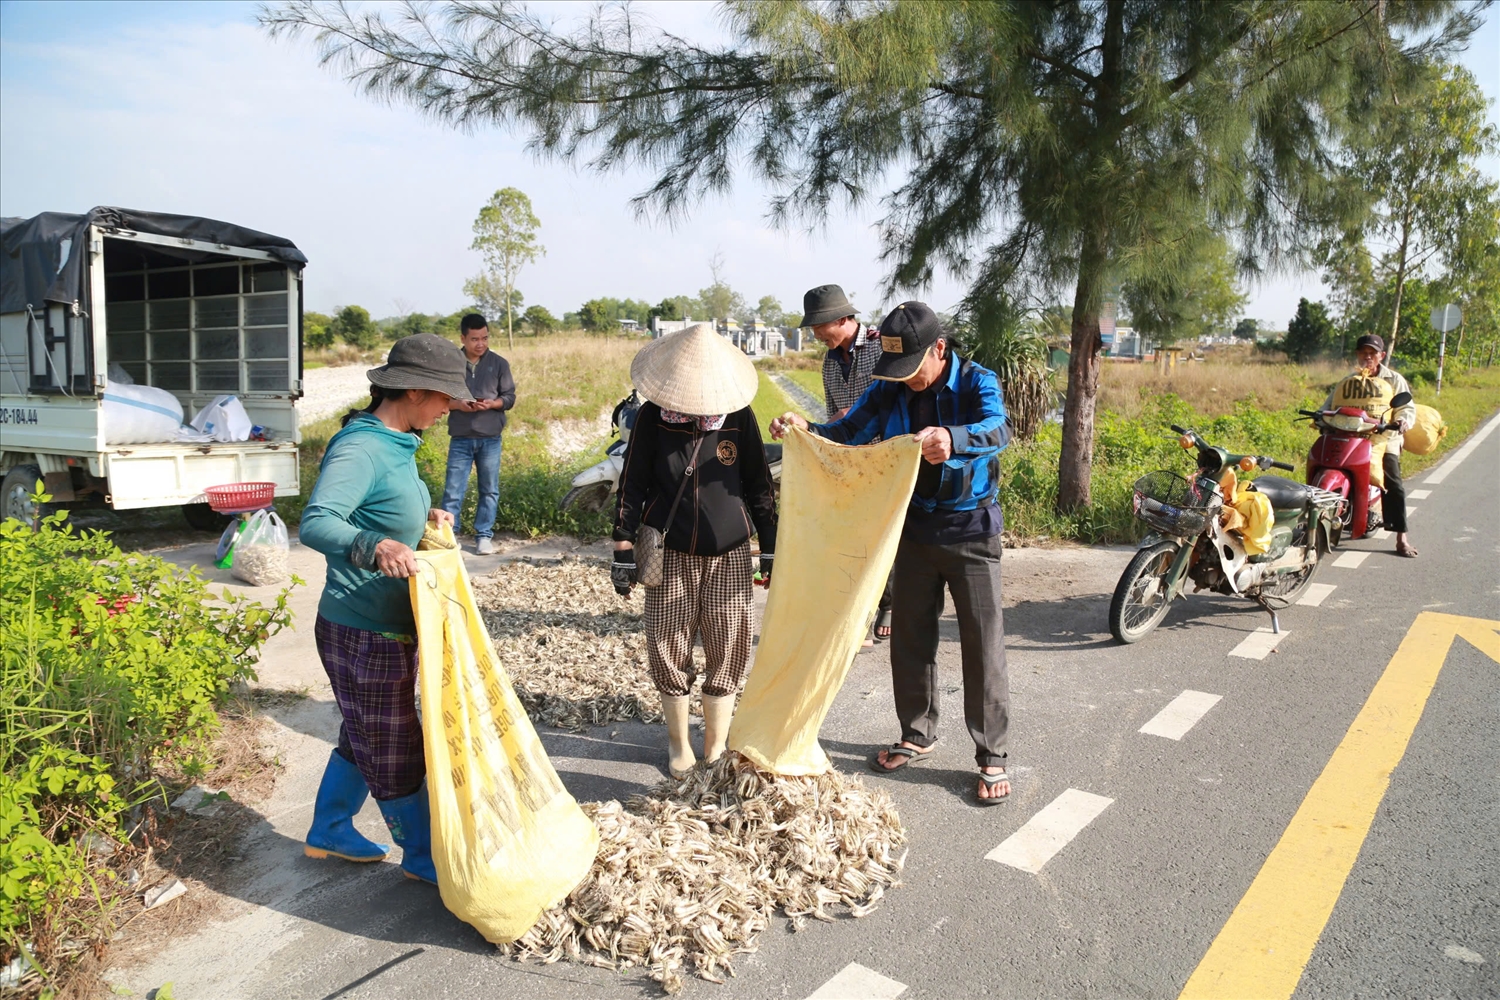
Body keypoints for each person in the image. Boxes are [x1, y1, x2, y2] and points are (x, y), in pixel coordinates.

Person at [771, 302, 1013, 805]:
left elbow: (999, 429)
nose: (906, 379)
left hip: (970, 529)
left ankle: (991, 754)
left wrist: (953, 437)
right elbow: (847, 433)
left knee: (982, 644)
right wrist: (804, 429)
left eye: (913, 367)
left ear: (939, 349)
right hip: (912, 527)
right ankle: (918, 733)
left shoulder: (977, 381)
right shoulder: (890, 387)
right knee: (909, 638)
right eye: (896, 368)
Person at [299, 333, 473, 882]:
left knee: (366, 730)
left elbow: (378, 506)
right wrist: (374, 547)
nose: (449, 408)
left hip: (389, 627)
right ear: (415, 391)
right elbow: (317, 522)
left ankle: (329, 829)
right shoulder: (361, 447)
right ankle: (422, 857)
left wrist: (424, 519)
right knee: (395, 746)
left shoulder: (398, 442)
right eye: (445, 397)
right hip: (362, 629)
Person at [610, 323, 778, 779]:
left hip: (730, 553)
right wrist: (622, 545)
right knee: (667, 641)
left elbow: (759, 485)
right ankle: (678, 742)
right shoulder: (652, 417)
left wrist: (770, 547)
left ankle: (715, 741)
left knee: (729, 641)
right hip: (669, 551)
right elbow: (632, 483)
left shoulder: (738, 416)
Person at [800, 283, 893, 643]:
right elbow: (831, 414)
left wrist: (851, 415)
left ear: (842, 319)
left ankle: (889, 603)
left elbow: (894, 401)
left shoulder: (880, 347)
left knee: (883, 535)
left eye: (819, 326)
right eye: (812, 328)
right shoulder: (829, 361)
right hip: (850, 461)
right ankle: (858, 614)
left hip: (884, 456)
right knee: (854, 537)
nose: (816, 335)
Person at [1324, 333, 1418, 557]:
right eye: (1363, 353)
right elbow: (1330, 405)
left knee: (1393, 483)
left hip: (1384, 438)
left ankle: (1401, 538)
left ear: (1381, 356)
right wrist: (1321, 417)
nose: (1367, 357)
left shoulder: (1394, 379)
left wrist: (1402, 421)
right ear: (1357, 355)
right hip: (1351, 435)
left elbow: (1407, 407)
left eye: (1372, 353)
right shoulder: (1349, 381)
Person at [441, 314, 516, 555]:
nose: (481, 344)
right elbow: (439, 399)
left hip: (490, 438)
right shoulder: (450, 364)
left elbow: (509, 398)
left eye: (485, 338)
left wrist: (493, 404)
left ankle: (484, 536)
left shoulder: (499, 363)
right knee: (453, 490)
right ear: (462, 338)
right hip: (460, 437)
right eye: (475, 339)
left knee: (489, 489)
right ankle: (450, 537)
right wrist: (458, 404)